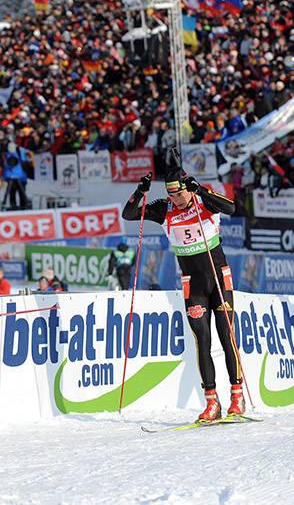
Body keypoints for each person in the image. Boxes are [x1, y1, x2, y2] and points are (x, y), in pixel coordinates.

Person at [122, 167, 241, 422]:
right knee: (202, 341)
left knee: (226, 335)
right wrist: (140, 191)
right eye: (171, 194)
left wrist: (201, 190)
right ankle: (212, 401)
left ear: (187, 187)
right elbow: (129, 214)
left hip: (219, 279)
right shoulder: (165, 210)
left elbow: (231, 207)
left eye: (179, 193)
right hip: (193, 285)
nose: (176, 199)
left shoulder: (202, 201)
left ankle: (237, 394)